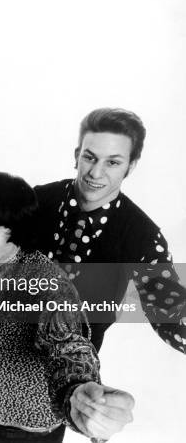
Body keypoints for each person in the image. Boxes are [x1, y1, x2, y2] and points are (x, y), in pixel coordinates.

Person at [0, 172, 135, 443]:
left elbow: (67, 345)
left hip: (25, 434)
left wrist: (78, 393)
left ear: (17, 236)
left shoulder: (46, 284)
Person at [34, 108, 185, 352]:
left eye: (112, 162)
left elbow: (172, 314)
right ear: (77, 155)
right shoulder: (35, 201)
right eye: (89, 157)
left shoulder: (143, 236)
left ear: (131, 166)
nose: (95, 172)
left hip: (76, 377)